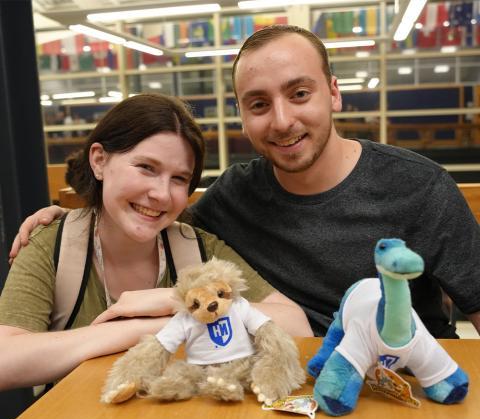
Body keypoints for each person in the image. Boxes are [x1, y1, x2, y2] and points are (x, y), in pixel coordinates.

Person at [10, 25, 480, 339]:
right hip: (285, 388)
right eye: (258, 104)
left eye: (299, 94)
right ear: (242, 116)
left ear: (333, 92)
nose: (281, 120)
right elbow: (153, 214)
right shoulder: (232, 197)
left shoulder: (420, 188)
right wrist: (73, 217)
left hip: (408, 383)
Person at [0, 93, 311, 392]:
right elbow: (6, 360)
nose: (162, 194)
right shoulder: (51, 243)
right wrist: (140, 329)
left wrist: (171, 301)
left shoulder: (199, 249)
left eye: (179, 178)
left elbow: (297, 327)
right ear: (99, 160)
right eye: (146, 168)